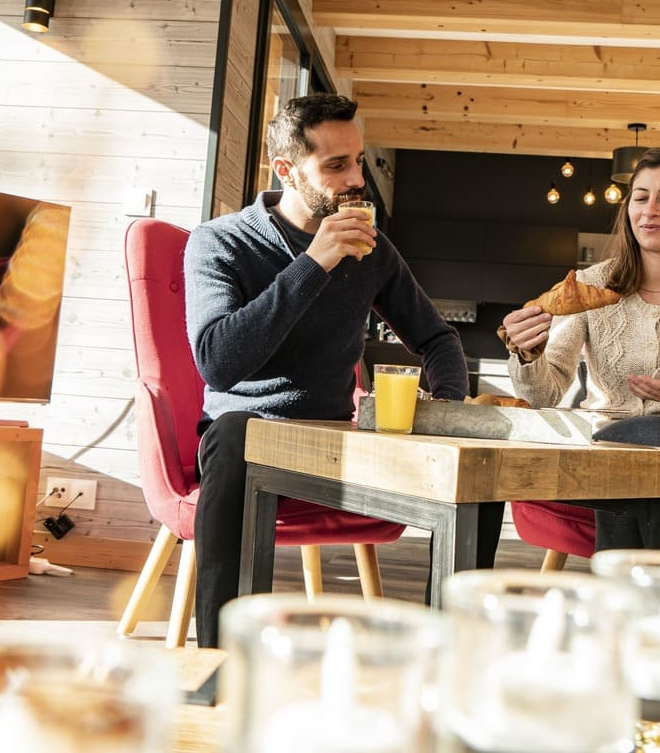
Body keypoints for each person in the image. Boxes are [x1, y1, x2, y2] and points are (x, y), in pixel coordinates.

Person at [185, 93, 501, 647]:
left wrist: (445, 407)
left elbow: (437, 338)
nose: (357, 178)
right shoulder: (221, 242)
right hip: (248, 440)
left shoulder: (373, 251)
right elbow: (218, 364)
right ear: (286, 170)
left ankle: (453, 659)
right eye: (336, 165)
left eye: (358, 160)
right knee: (235, 432)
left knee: (483, 464)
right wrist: (314, 263)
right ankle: (218, 663)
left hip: (337, 443)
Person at [500, 146, 660, 552]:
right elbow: (543, 394)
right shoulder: (590, 285)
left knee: (654, 439)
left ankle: (616, 598)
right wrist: (528, 355)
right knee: (636, 461)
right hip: (605, 449)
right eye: (640, 197)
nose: (650, 209)